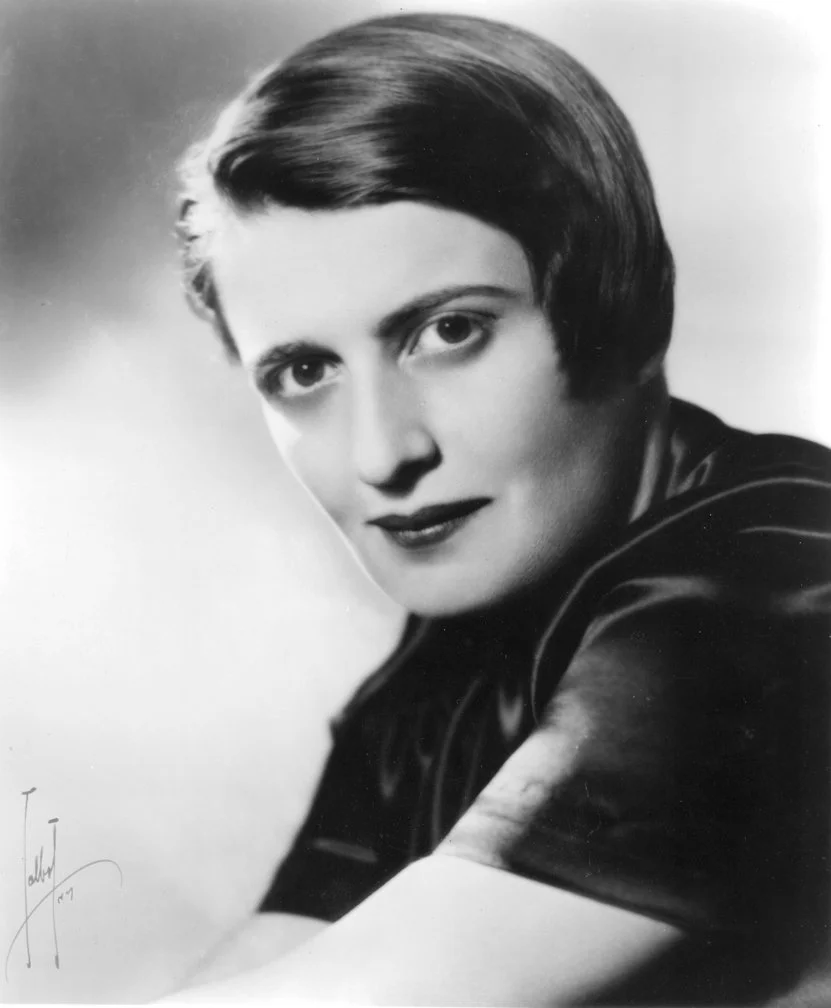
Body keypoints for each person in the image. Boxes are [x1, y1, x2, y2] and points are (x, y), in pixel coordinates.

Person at [170, 12, 831, 1005]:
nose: (385, 452)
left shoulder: (763, 591)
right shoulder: (448, 663)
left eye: (447, 330)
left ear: (620, 304)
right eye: (305, 370)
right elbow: (271, 966)